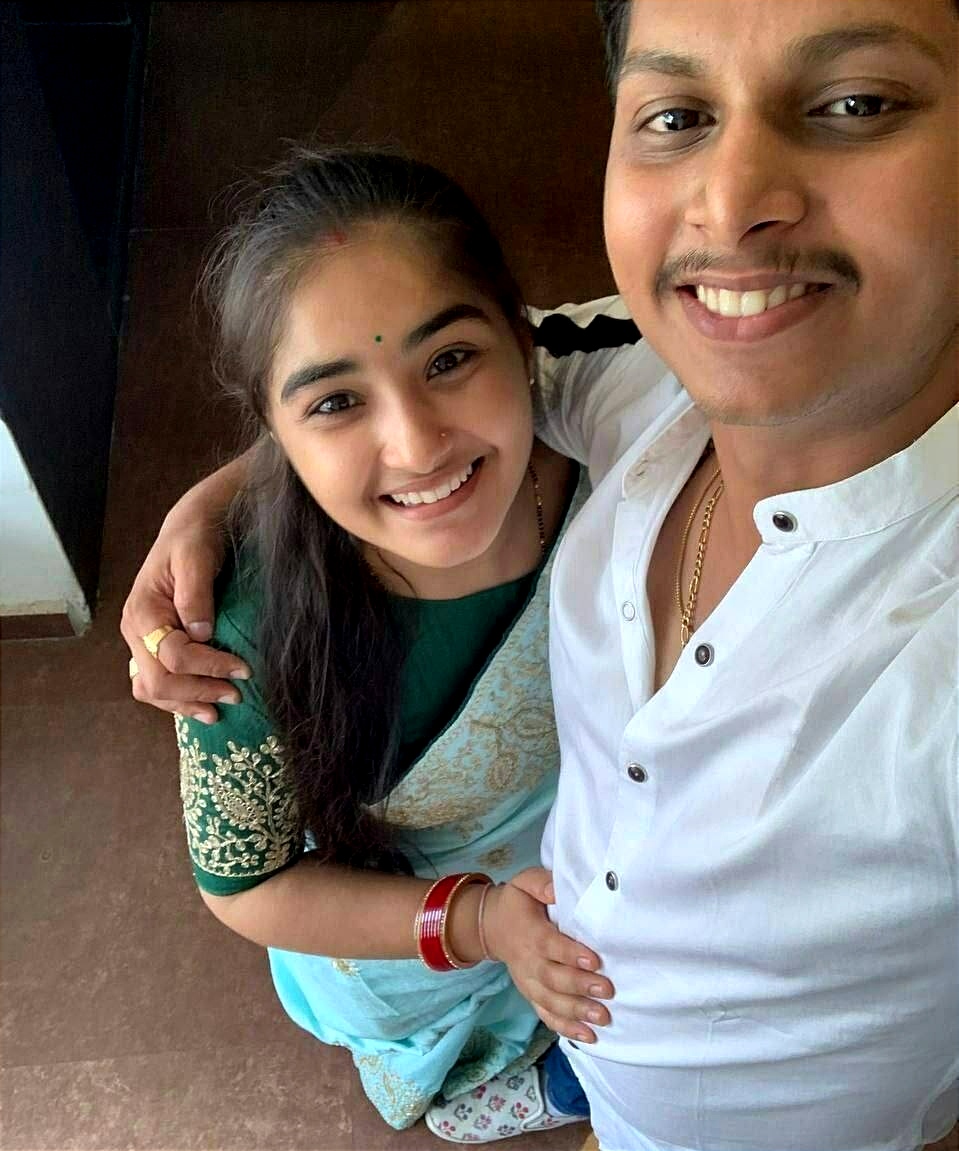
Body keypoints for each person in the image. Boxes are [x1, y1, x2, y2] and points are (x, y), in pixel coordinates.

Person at [125, 0, 958, 1147]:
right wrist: (224, 498)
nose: (729, 204)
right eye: (677, 114)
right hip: (518, 991)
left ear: (510, 351)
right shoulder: (640, 371)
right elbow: (398, 350)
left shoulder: (586, 433)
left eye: (855, 103)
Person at [123, 145, 628, 1141]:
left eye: (448, 361)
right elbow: (249, 886)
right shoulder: (243, 635)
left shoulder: (613, 452)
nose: (417, 443)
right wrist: (476, 920)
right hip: (408, 914)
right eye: (336, 402)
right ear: (274, 431)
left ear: (522, 337)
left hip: (595, 831)